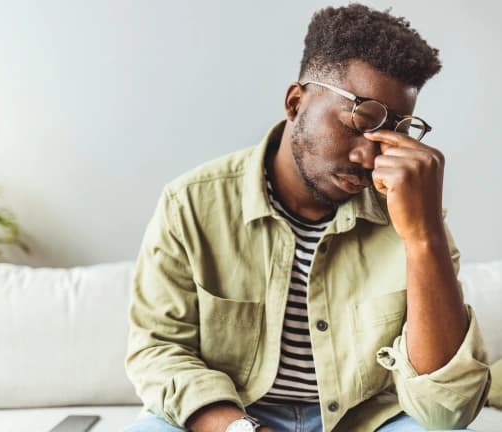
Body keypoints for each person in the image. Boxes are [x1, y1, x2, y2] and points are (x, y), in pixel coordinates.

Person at [124, 4, 491, 432]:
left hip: (366, 420)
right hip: (234, 415)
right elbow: (159, 351)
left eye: (394, 133)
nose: (369, 155)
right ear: (295, 102)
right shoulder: (191, 204)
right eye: (358, 122)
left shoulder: (412, 215)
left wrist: (423, 236)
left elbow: (447, 411)